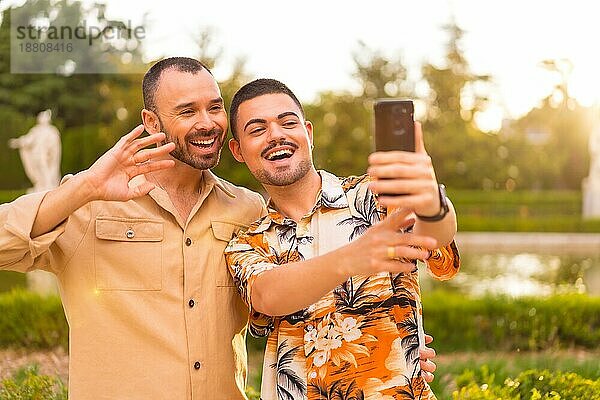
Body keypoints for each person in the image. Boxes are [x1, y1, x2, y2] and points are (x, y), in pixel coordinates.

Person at [0, 57, 266, 399]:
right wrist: (86, 187)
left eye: (214, 107)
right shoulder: (88, 205)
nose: (207, 123)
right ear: (151, 122)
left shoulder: (248, 209)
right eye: (187, 112)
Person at [225, 79, 460, 399]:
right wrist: (353, 256)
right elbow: (268, 295)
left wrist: (431, 199)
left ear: (308, 133)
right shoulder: (246, 243)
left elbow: (436, 236)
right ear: (238, 149)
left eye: (287, 122)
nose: (276, 135)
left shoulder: (373, 196)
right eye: (257, 129)